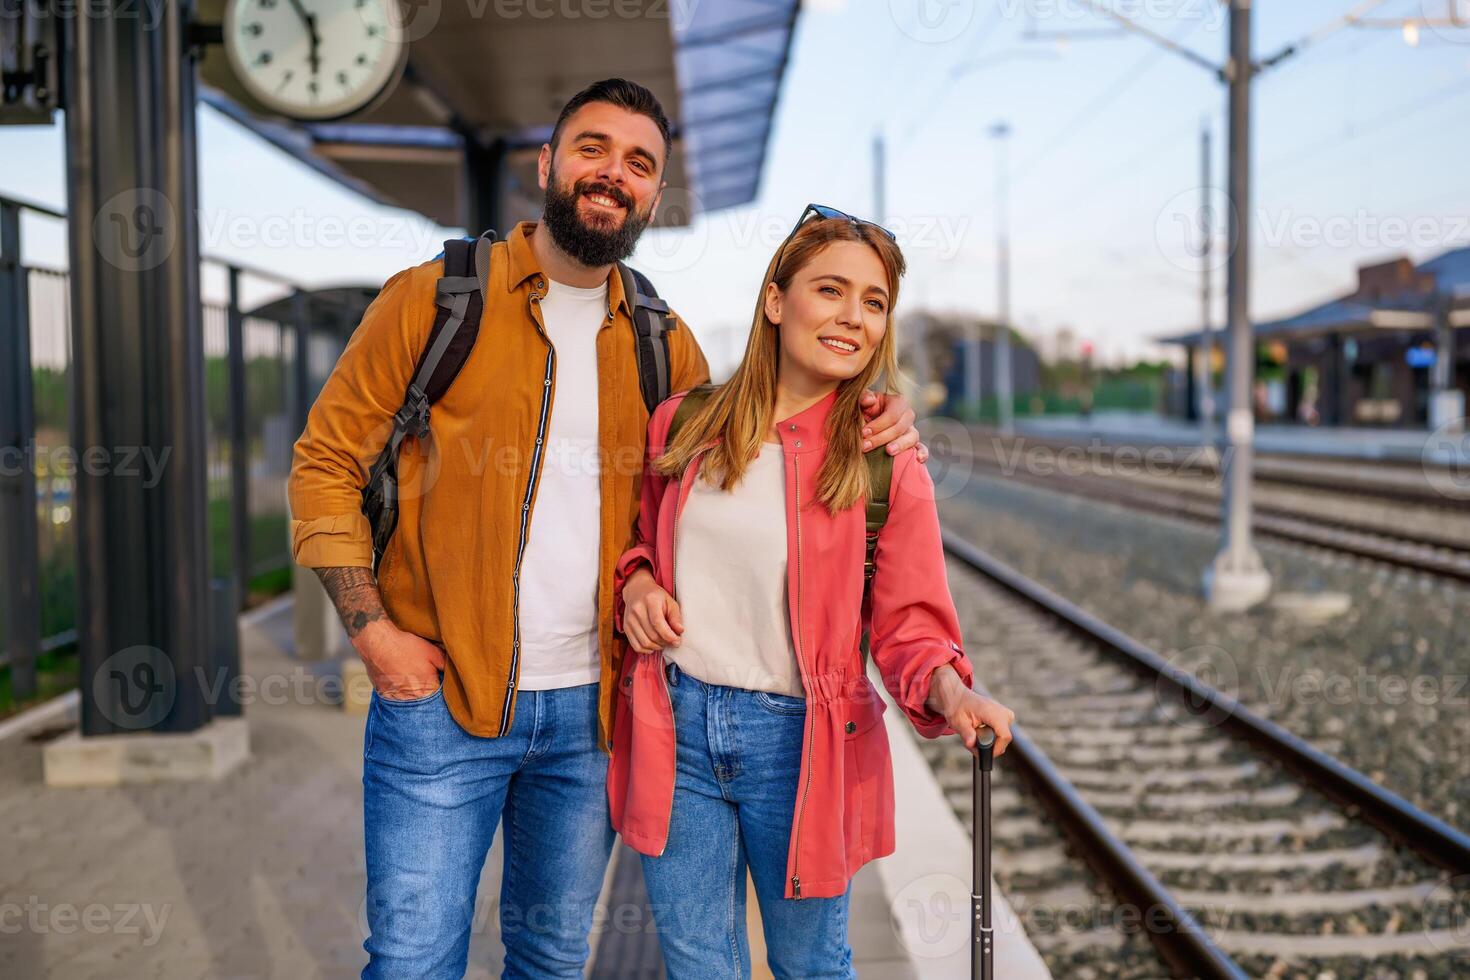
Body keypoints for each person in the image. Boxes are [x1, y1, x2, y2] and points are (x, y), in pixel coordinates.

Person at [287, 79, 925, 979]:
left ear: (654, 197)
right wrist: (373, 633)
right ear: (548, 164)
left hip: (596, 715)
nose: (612, 174)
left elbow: (682, 511)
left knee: (551, 958)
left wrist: (874, 416)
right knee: (411, 958)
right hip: (442, 701)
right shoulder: (435, 300)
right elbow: (324, 464)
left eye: (639, 163)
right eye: (593, 148)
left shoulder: (668, 349)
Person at [610, 205, 1017, 979]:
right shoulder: (684, 426)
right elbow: (641, 540)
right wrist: (635, 584)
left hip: (800, 744)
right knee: (698, 966)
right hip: (678, 723)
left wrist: (954, 696)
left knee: (811, 967)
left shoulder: (882, 464)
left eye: (873, 302)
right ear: (775, 299)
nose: (852, 317)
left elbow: (910, 626)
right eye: (831, 290)